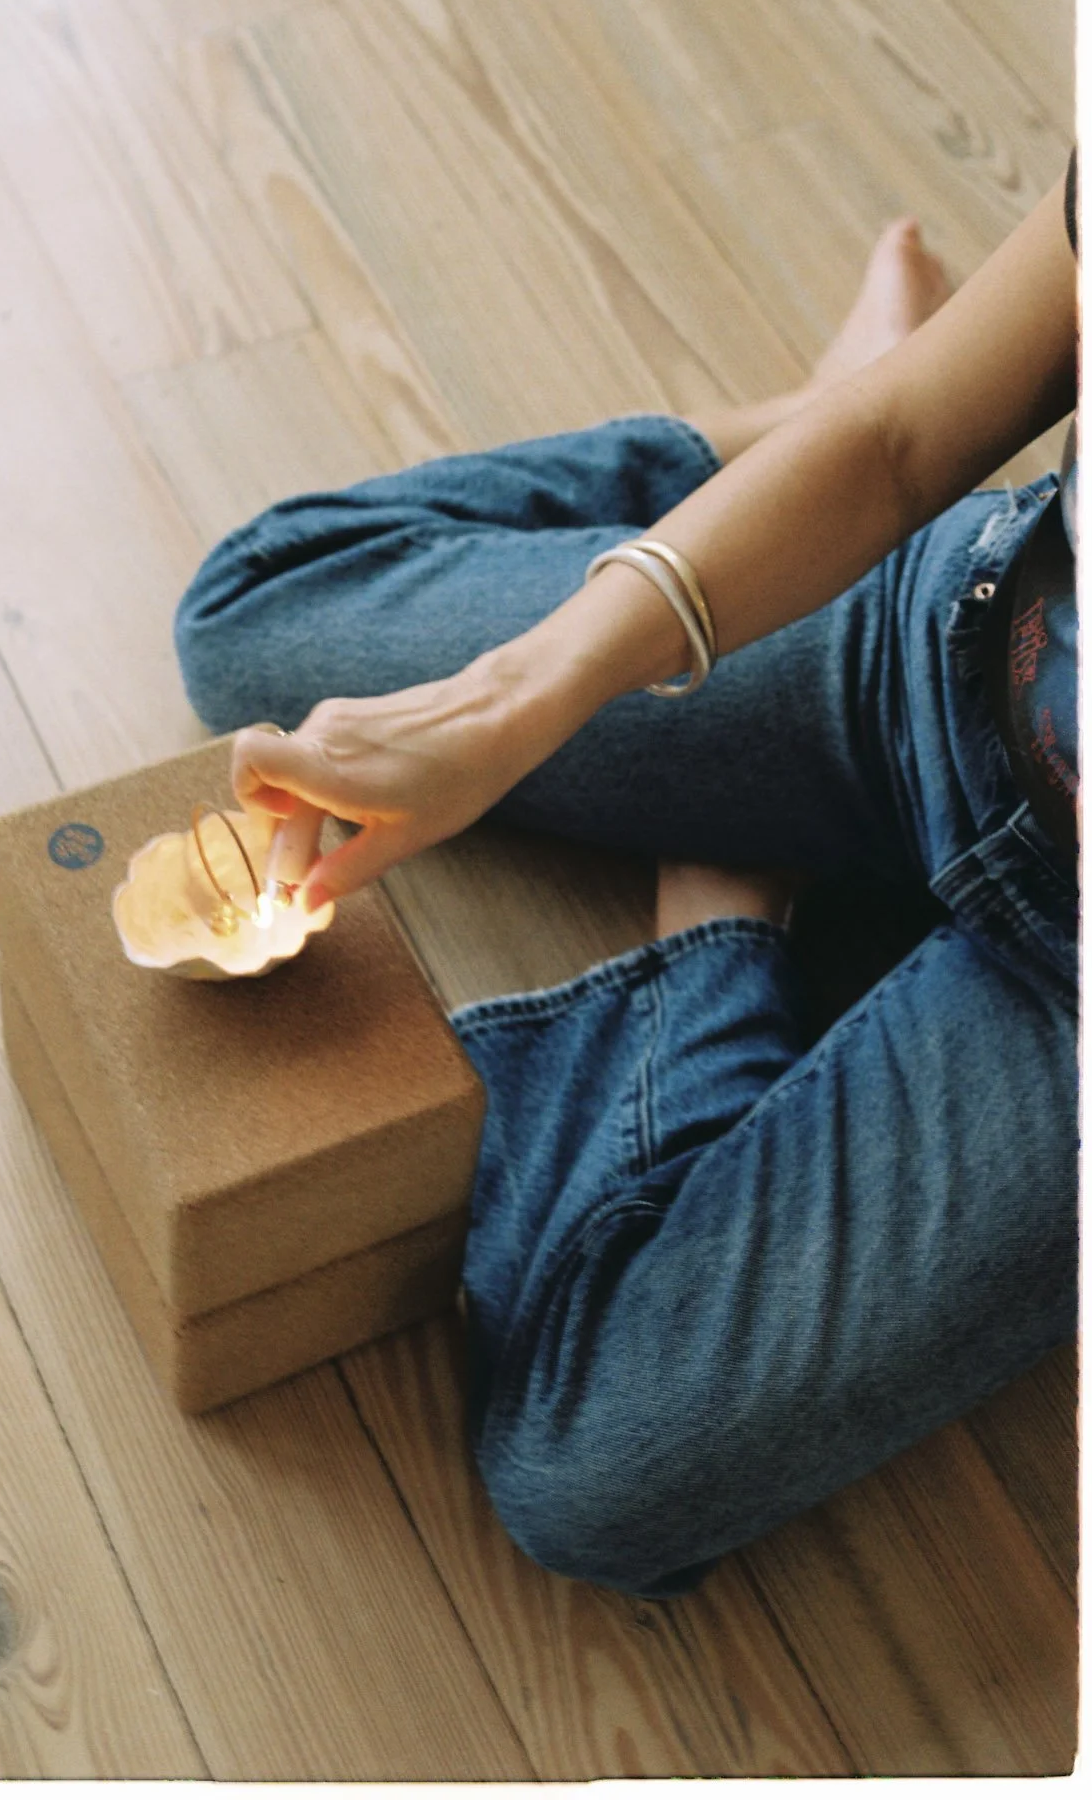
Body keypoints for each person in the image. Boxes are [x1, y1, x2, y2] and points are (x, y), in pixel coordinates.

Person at [173, 159, 1078, 1598]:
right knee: (253, 619)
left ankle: (723, 909)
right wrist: (507, 702)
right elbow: (907, 443)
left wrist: (710, 934)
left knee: (590, 1464)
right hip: (954, 633)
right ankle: (788, 432)